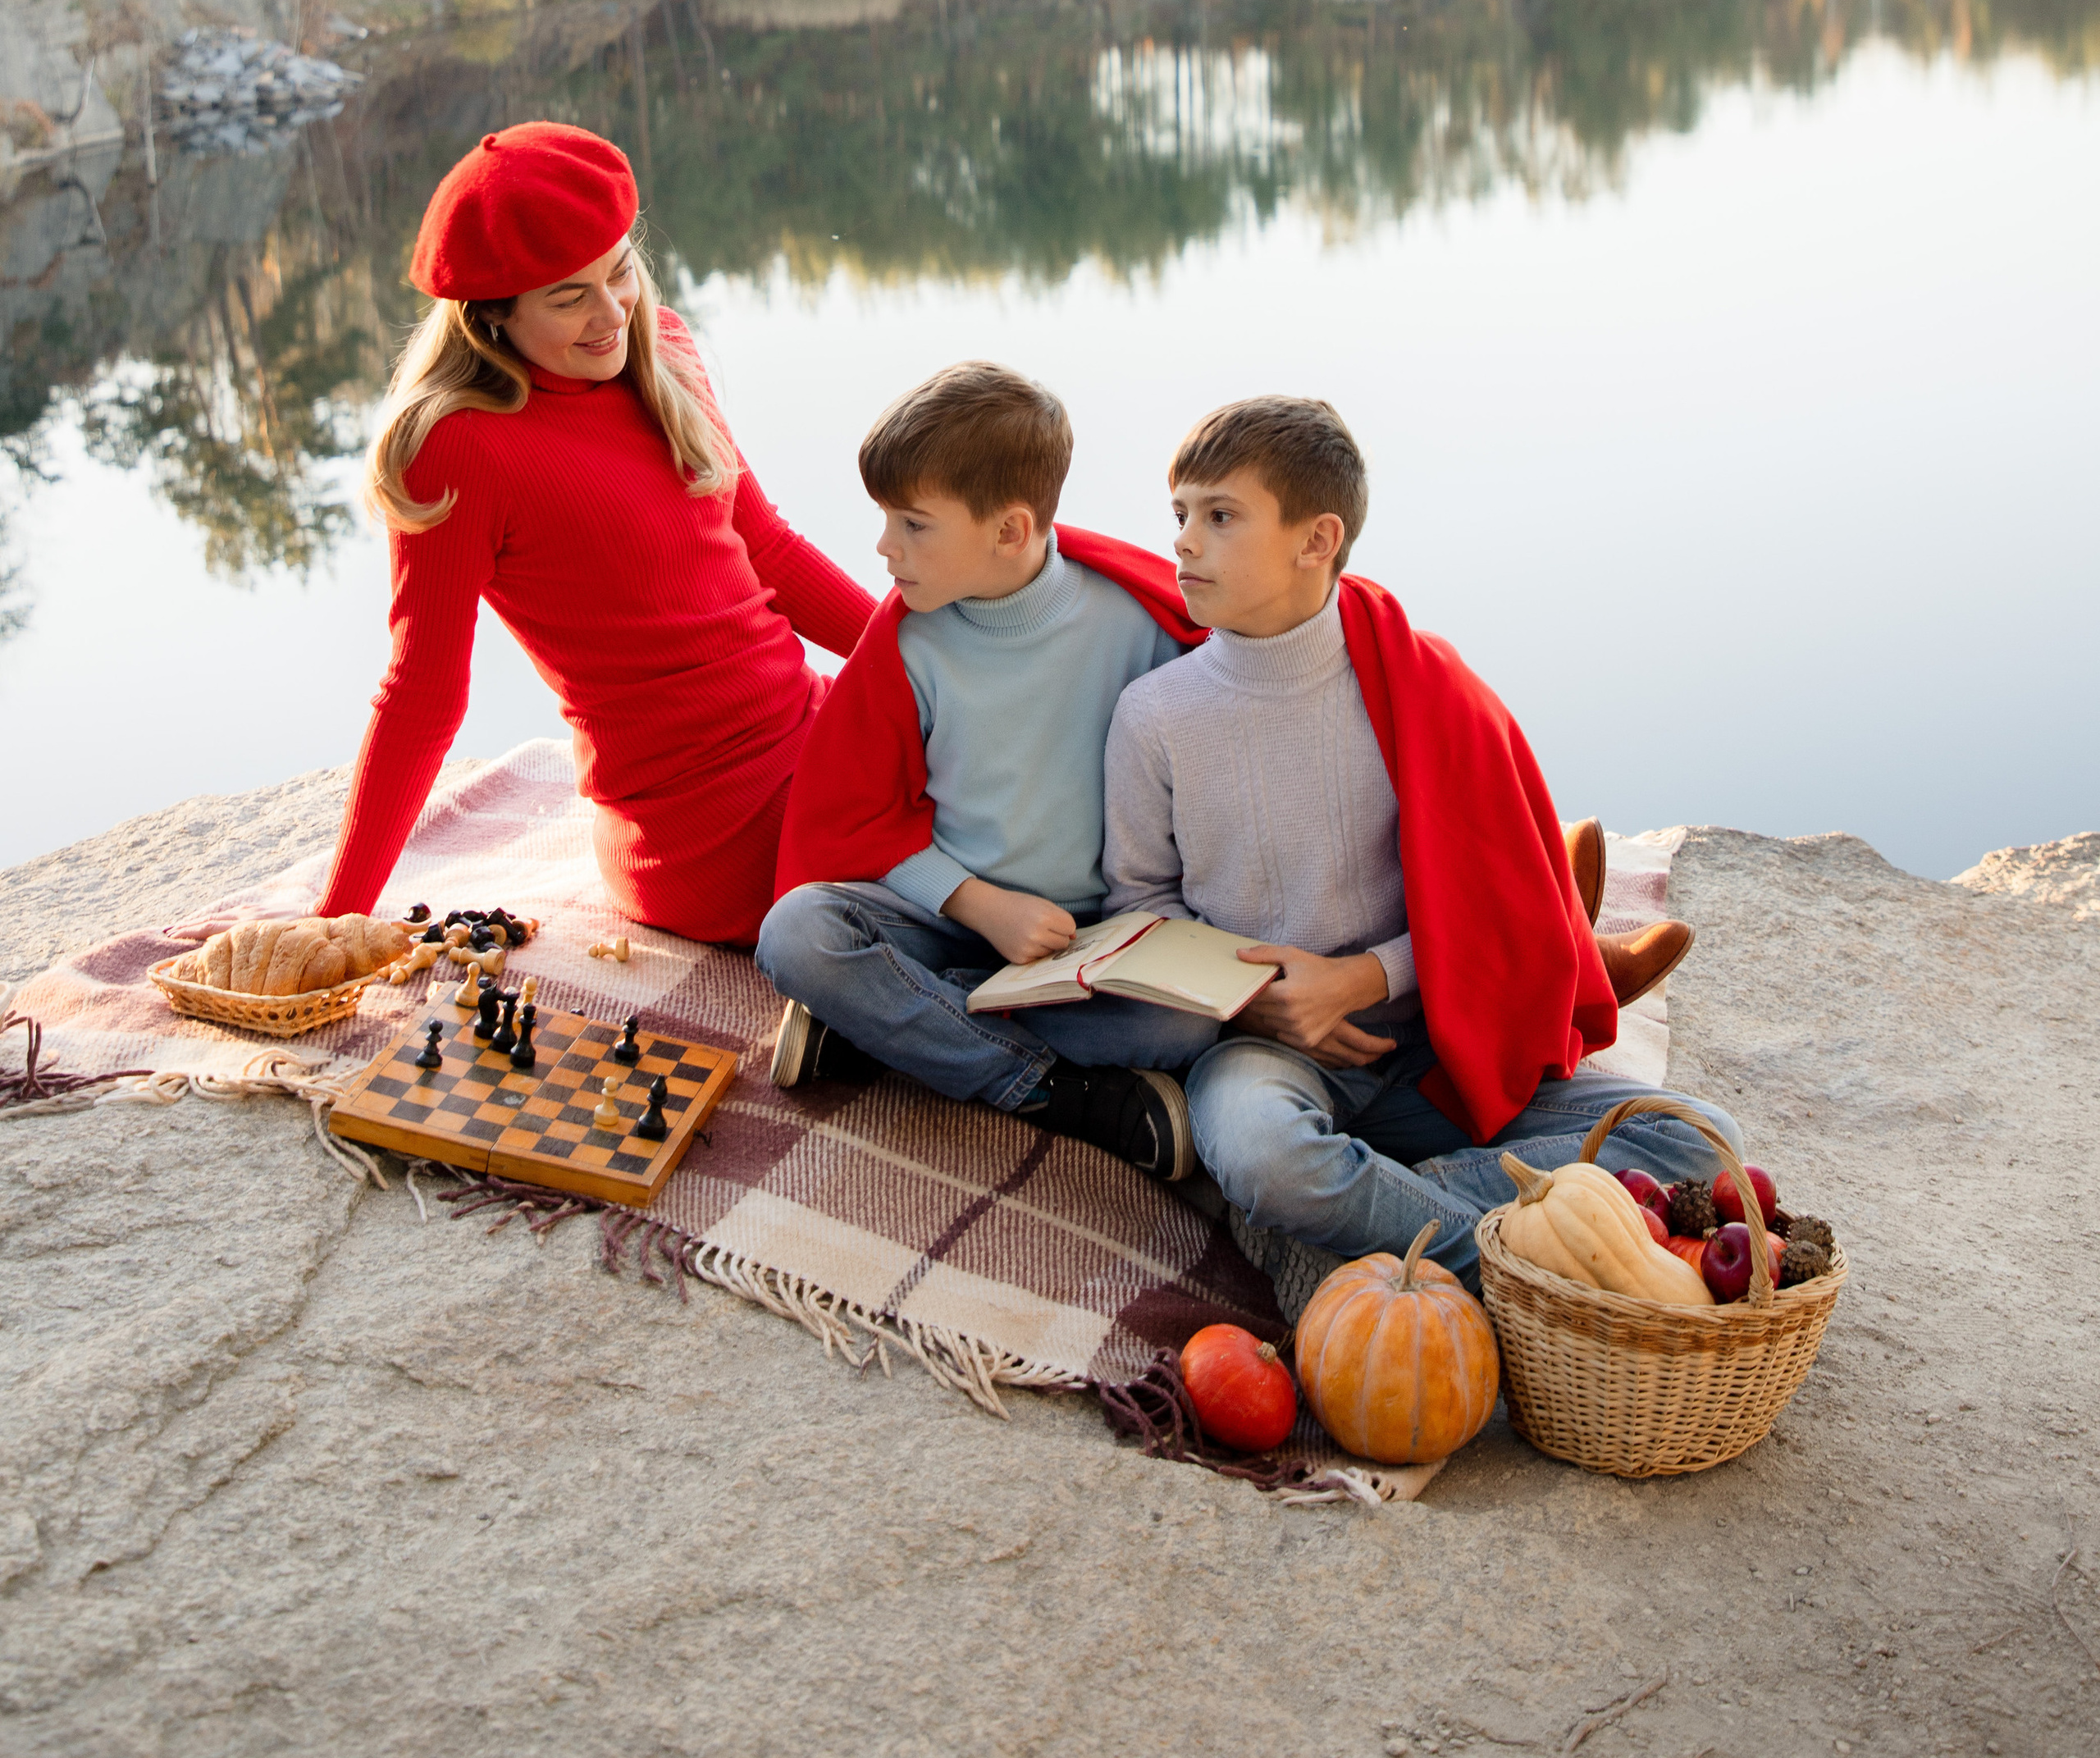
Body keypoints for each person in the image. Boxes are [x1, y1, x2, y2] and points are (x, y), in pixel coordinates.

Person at [1102, 393, 1732, 1283]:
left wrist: (1359, 980)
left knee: (1698, 1140)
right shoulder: (1155, 715)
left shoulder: (1421, 681)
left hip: (1432, 1047)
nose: (1183, 543)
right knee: (1266, 1158)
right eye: (1180, 516)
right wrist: (1257, 998)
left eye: (1220, 516)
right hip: (1264, 1052)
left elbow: (1490, 901)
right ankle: (1517, 1258)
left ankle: (1405, 1208)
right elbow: (1139, 904)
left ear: (1316, 540)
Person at [317, 121, 874, 942]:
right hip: (704, 828)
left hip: (810, 733)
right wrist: (336, 918)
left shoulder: (661, 347)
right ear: (492, 315)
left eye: (620, 273)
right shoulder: (457, 447)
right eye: (568, 298)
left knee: (1030, 752)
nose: (610, 313)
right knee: (998, 855)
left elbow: (768, 552)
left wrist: (932, 654)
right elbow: (421, 695)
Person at [756, 361, 1214, 1181]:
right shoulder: (912, 641)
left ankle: (887, 1030)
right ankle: (1055, 1093)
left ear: (1009, 531)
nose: (884, 546)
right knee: (798, 933)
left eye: (913, 524)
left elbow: (1206, 769)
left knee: (1184, 1027)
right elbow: (859, 817)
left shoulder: (1136, 621)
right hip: (946, 916)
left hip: (1087, 936)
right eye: (886, 518)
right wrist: (981, 904)